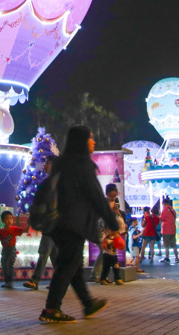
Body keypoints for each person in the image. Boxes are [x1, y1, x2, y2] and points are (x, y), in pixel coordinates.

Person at [38, 126, 118, 324]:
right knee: (67, 266)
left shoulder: (61, 164)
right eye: (91, 138)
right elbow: (96, 196)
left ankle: (88, 303)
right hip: (72, 224)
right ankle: (51, 308)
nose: (94, 142)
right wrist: (112, 222)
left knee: (71, 264)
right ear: (82, 141)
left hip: (57, 223)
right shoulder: (82, 165)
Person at [24, 155, 59, 291]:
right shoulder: (54, 181)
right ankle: (60, 281)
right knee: (54, 255)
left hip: (51, 224)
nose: (45, 166)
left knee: (44, 252)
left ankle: (35, 280)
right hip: (54, 224)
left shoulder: (51, 183)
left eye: (47, 163)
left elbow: (44, 203)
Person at [0, 210, 25, 288]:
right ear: (2, 220)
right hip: (4, 250)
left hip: (12, 250)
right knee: (4, 265)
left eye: (11, 218)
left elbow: (24, 231)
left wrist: (29, 224)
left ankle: (11, 281)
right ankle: (7, 281)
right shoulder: (1, 231)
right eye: (7, 219)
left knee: (9, 264)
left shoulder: (14, 229)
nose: (9, 220)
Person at [160, 198, 179, 263]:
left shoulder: (164, 210)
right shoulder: (173, 210)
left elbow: (162, 218)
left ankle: (167, 257)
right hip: (173, 229)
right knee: (174, 244)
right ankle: (176, 258)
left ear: (164, 204)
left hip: (166, 230)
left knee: (166, 245)